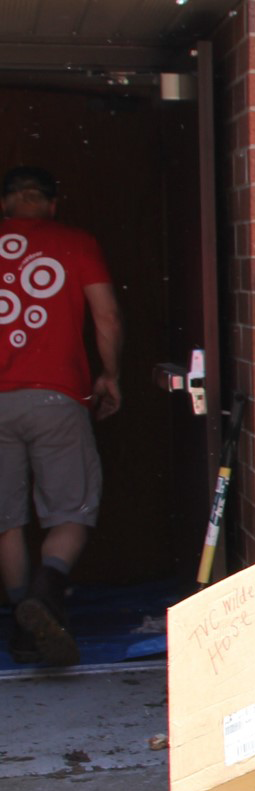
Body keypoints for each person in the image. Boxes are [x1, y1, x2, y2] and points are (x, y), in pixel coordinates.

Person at [0, 166, 121, 668]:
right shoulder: (75, 242)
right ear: (51, 204)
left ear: (6, 204)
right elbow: (106, 315)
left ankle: (20, 620)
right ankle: (46, 595)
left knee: (7, 520)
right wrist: (110, 374)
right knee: (71, 510)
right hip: (57, 397)